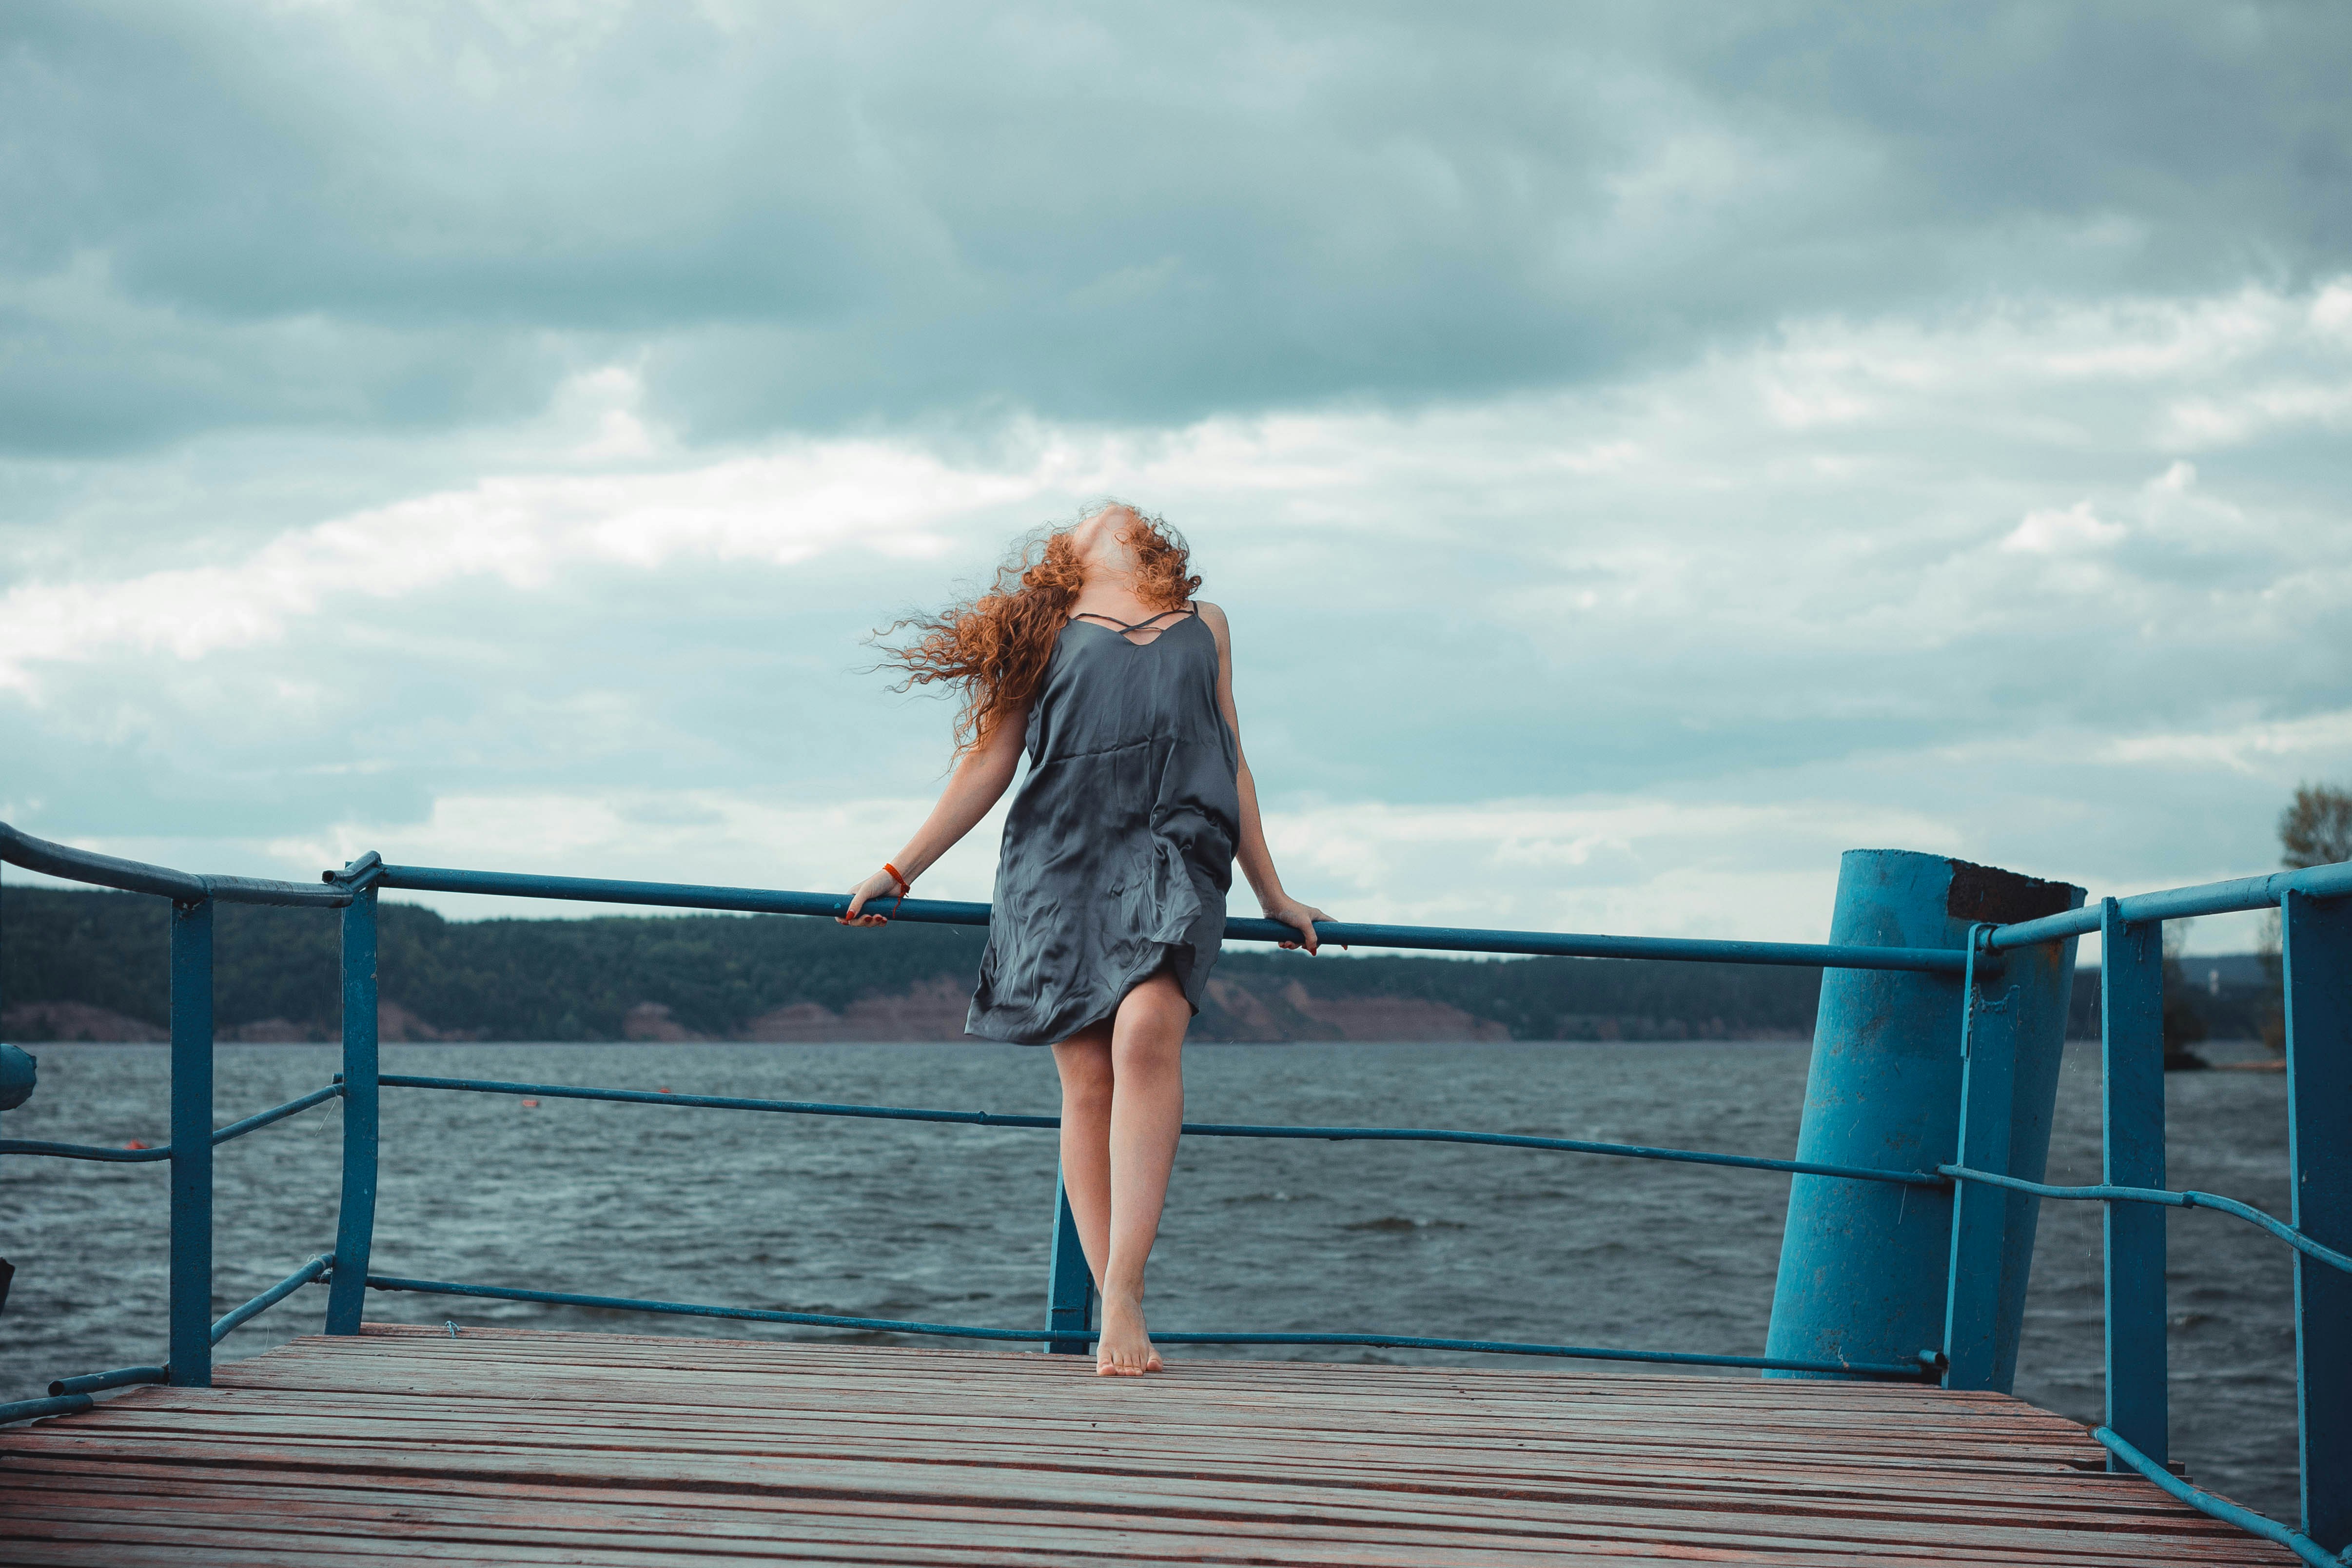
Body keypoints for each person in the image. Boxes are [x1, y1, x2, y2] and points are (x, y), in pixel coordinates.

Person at [841, 501, 1331, 1375]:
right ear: (1064, 557)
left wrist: (1274, 891)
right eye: (1089, 519)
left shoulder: (1205, 623)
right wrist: (901, 867)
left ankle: (1128, 1292)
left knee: (1147, 1030)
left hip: (1174, 847)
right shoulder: (1043, 620)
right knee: (1088, 1077)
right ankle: (1114, 1306)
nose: (1112, 508)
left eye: (1128, 514)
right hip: (1059, 857)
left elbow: (1234, 755)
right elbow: (991, 759)